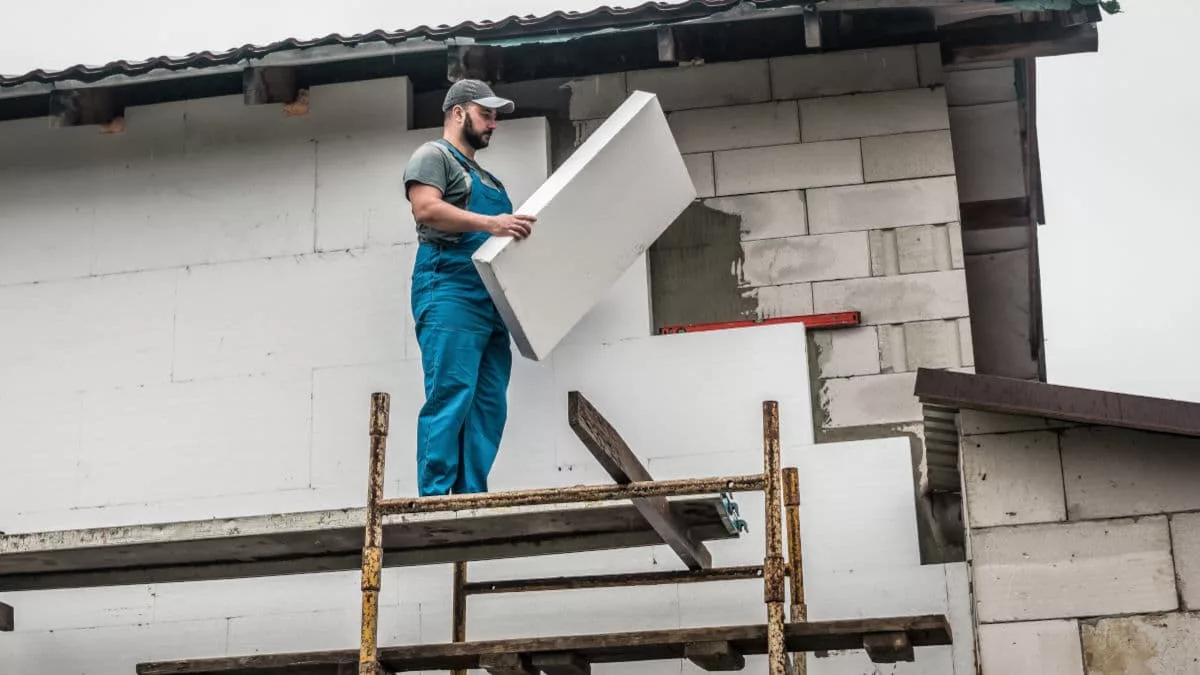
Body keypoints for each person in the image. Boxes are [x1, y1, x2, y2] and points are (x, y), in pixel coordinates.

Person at [402, 79, 536, 496]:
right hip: (450, 289)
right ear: (458, 113)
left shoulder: (491, 181)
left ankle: (470, 494)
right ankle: (436, 495)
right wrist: (491, 223)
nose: (494, 124)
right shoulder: (433, 156)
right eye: (487, 114)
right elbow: (426, 209)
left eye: (496, 116)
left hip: (491, 299)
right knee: (452, 391)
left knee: (489, 402)